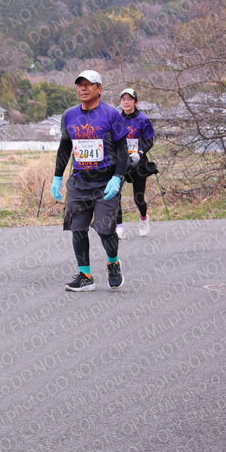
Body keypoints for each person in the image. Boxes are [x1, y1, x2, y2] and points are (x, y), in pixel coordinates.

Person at [51, 70, 129, 291]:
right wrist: (57, 177)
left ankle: (113, 262)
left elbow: (122, 149)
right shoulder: (69, 115)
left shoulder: (111, 114)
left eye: (88, 84)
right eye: (80, 85)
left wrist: (117, 177)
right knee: (77, 228)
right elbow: (65, 147)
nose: (83, 88)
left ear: (99, 89)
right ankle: (85, 276)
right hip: (79, 181)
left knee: (105, 229)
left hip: (106, 181)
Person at [115, 88, 156, 239]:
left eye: (129, 99)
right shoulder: (116, 119)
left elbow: (149, 140)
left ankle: (144, 218)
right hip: (121, 161)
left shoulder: (143, 119)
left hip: (138, 162)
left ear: (135, 101)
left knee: (138, 198)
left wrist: (140, 152)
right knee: (115, 195)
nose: (126, 102)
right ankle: (119, 227)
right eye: (123, 99)